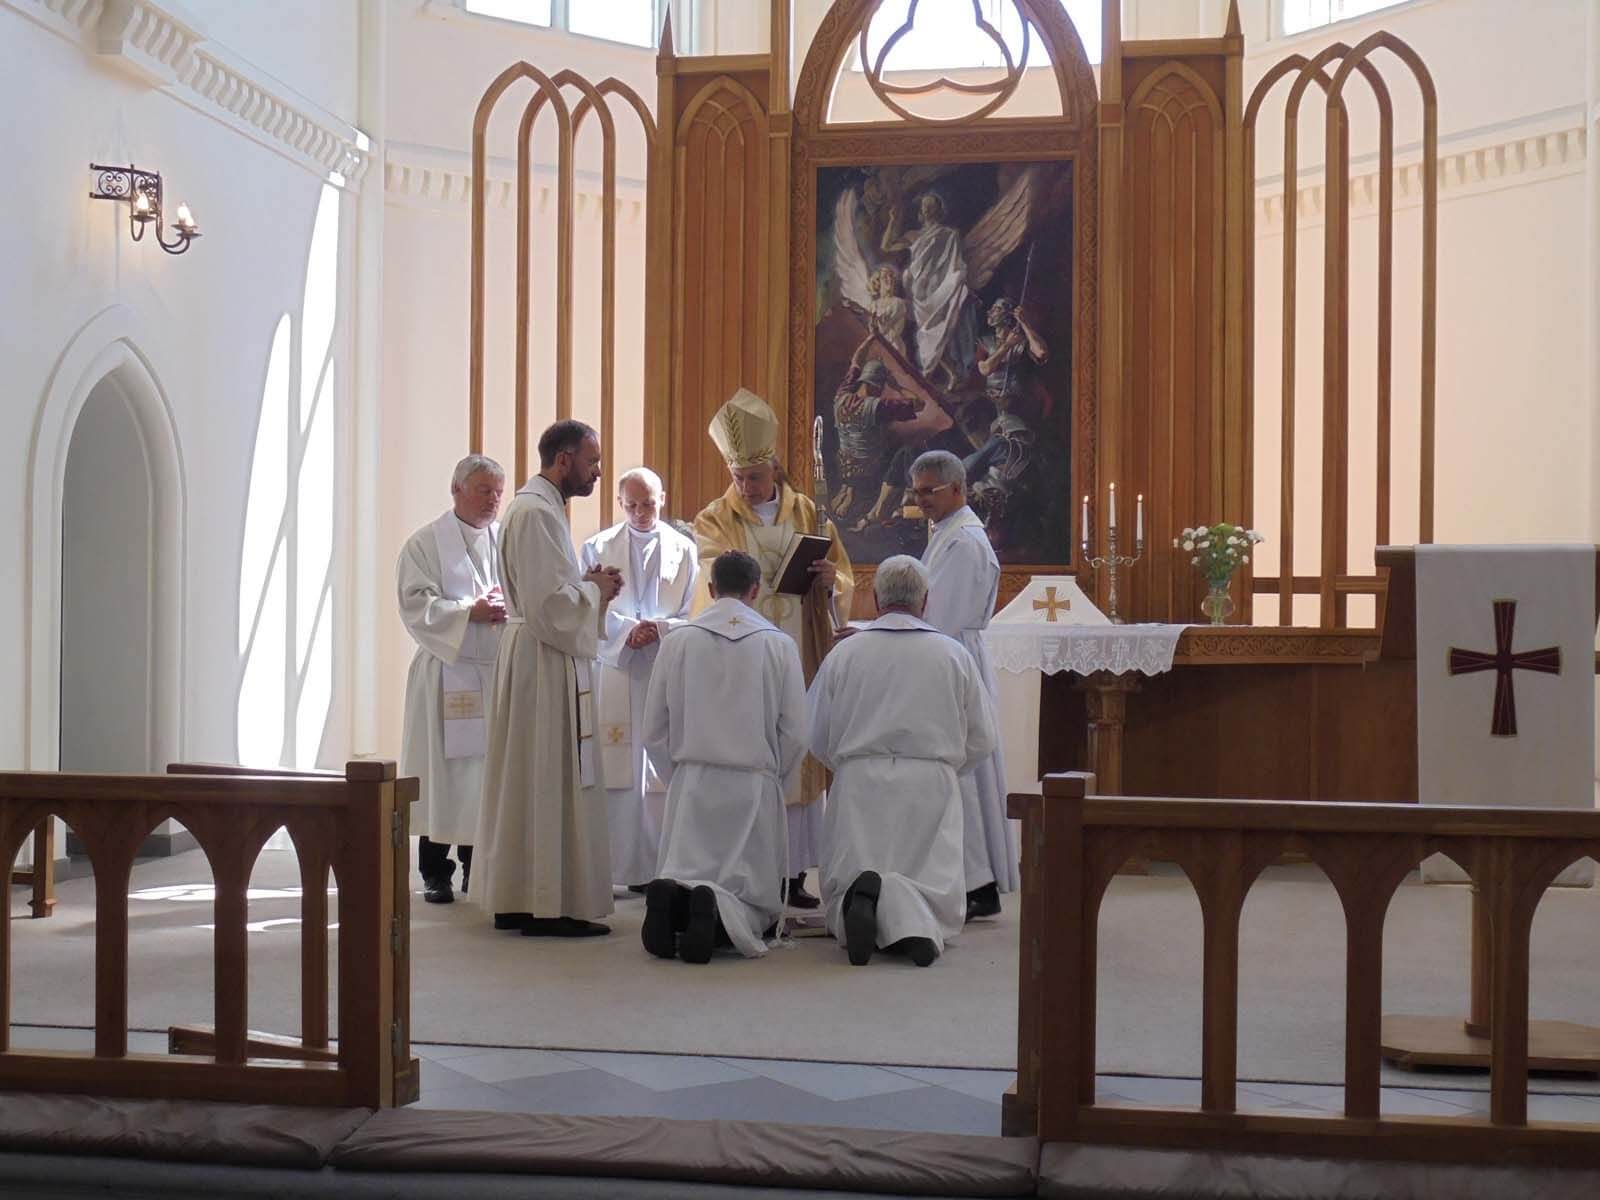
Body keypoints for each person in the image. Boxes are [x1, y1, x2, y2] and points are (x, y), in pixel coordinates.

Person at [692, 388, 854, 911]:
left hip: (798, 649)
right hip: (743, 654)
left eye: (754, 477)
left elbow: (842, 577)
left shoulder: (808, 513)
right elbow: (710, 576)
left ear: (774, 469)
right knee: (751, 751)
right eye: (738, 476)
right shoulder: (715, 518)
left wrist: (831, 582)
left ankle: (793, 873)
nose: (745, 486)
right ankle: (747, 865)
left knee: (795, 749)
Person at [807, 555, 997, 966]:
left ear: (876, 600)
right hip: (930, 780)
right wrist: (948, 769)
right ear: (925, 601)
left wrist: (847, 766)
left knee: (856, 865)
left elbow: (816, 730)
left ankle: (864, 901)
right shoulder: (952, 654)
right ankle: (915, 926)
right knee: (928, 875)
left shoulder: (845, 653)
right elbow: (983, 736)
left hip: (860, 779)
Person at [474, 420, 624, 938]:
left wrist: (588, 584)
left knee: (526, 775)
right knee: (548, 773)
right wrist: (596, 590)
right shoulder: (537, 512)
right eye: (591, 461)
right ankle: (549, 905)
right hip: (544, 657)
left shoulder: (536, 507)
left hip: (532, 653)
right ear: (563, 460)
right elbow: (550, 607)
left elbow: (550, 591)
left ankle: (517, 897)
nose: (597, 472)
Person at [641, 550, 808, 963]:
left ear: (711, 589)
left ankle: (676, 899)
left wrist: (678, 774)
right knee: (752, 894)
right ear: (755, 589)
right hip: (752, 782)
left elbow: (654, 728)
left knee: (687, 867)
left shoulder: (678, 641)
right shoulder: (778, 644)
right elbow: (795, 730)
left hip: (693, 780)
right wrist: (774, 777)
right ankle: (716, 908)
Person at [910, 449, 1020, 919]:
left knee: (963, 769)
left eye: (928, 492)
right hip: (949, 653)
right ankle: (970, 877)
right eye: (916, 492)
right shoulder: (949, 533)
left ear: (957, 488)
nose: (920, 501)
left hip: (951, 658)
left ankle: (976, 881)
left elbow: (941, 615)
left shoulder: (964, 542)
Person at [579, 467, 699, 892]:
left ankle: (653, 868)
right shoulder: (596, 547)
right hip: (617, 667)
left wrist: (659, 629)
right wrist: (627, 631)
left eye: (648, 503)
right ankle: (615, 866)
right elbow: (586, 608)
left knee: (657, 766)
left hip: (661, 666)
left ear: (662, 499)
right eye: (631, 505)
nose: (640, 513)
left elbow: (691, 612)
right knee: (616, 767)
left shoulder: (685, 549)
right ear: (619, 503)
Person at [397, 454, 506, 904]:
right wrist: (469, 612)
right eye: (483, 490)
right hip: (446, 671)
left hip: (493, 673)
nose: (492, 500)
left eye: (497, 492)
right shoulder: (424, 544)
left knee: (484, 777)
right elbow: (415, 603)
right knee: (441, 776)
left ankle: (476, 869)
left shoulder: (505, 541)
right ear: (457, 489)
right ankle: (435, 872)